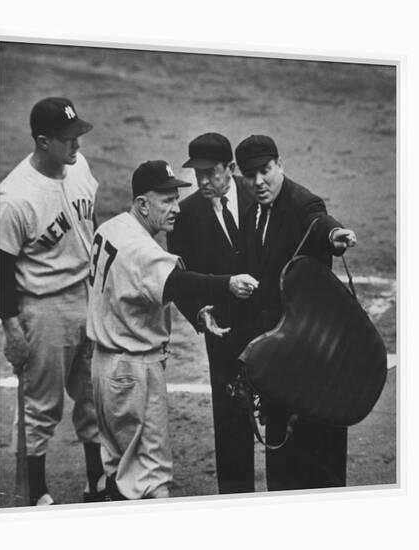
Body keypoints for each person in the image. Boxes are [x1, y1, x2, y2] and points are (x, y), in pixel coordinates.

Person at [86, 160, 258, 500]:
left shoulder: (112, 227)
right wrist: (228, 283)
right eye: (166, 200)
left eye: (176, 198)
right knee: (152, 479)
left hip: (103, 368)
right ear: (142, 205)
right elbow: (180, 281)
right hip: (133, 372)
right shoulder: (143, 249)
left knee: (121, 468)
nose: (176, 208)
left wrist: (197, 315)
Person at [0, 97, 106, 505]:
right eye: (67, 139)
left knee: (93, 394)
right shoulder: (14, 198)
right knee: (41, 406)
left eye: (78, 134)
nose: (77, 145)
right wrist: (11, 329)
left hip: (86, 294)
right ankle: (37, 492)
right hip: (42, 307)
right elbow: (0, 270)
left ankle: (96, 480)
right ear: (43, 142)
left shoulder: (78, 165)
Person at [235, 134, 357, 491]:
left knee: (319, 460)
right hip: (281, 361)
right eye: (249, 174)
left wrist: (334, 235)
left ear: (280, 165)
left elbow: (319, 222)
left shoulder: (301, 202)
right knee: (283, 464)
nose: (258, 181)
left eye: (265, 170)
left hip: (315, 362)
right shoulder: (252, 212)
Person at [166, 132, 256, 494]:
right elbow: (182, 277)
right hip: (225, 330)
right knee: (231, 419)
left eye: (211, 172)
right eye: (197, 172)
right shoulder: (186, 214)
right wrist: (199, 313)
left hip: (271, 325)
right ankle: (236, 502)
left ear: (230, 168)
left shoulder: (258, 195)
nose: (202, 180)